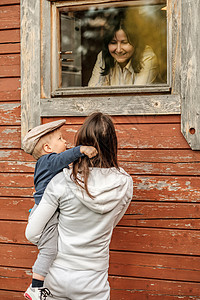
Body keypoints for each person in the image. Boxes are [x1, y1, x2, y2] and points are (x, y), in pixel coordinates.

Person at [25, 112, 133, 300]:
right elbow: (112, 222)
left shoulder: (60, 181)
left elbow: (32, 233)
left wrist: (51, 243)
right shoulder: (124, 183)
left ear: (83, 143)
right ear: (112, 145)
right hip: (93, 280)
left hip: (55, 276)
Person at [22, 119, 97, 300]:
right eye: (61, 139)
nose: (65, 142)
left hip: (47, 211)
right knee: (49, 250)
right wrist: (81, 150)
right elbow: (63, 158)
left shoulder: (51, 164)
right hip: (46, 214)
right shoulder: (48, 161)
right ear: (47, 148)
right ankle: (35, 287)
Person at [88, 14, 159, 87]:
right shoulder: (104, 55)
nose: (118, 50)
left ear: (135, 42)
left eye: (124, 43)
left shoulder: (147, 56)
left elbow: (138, 95)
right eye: (113, 43)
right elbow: (93, 92)